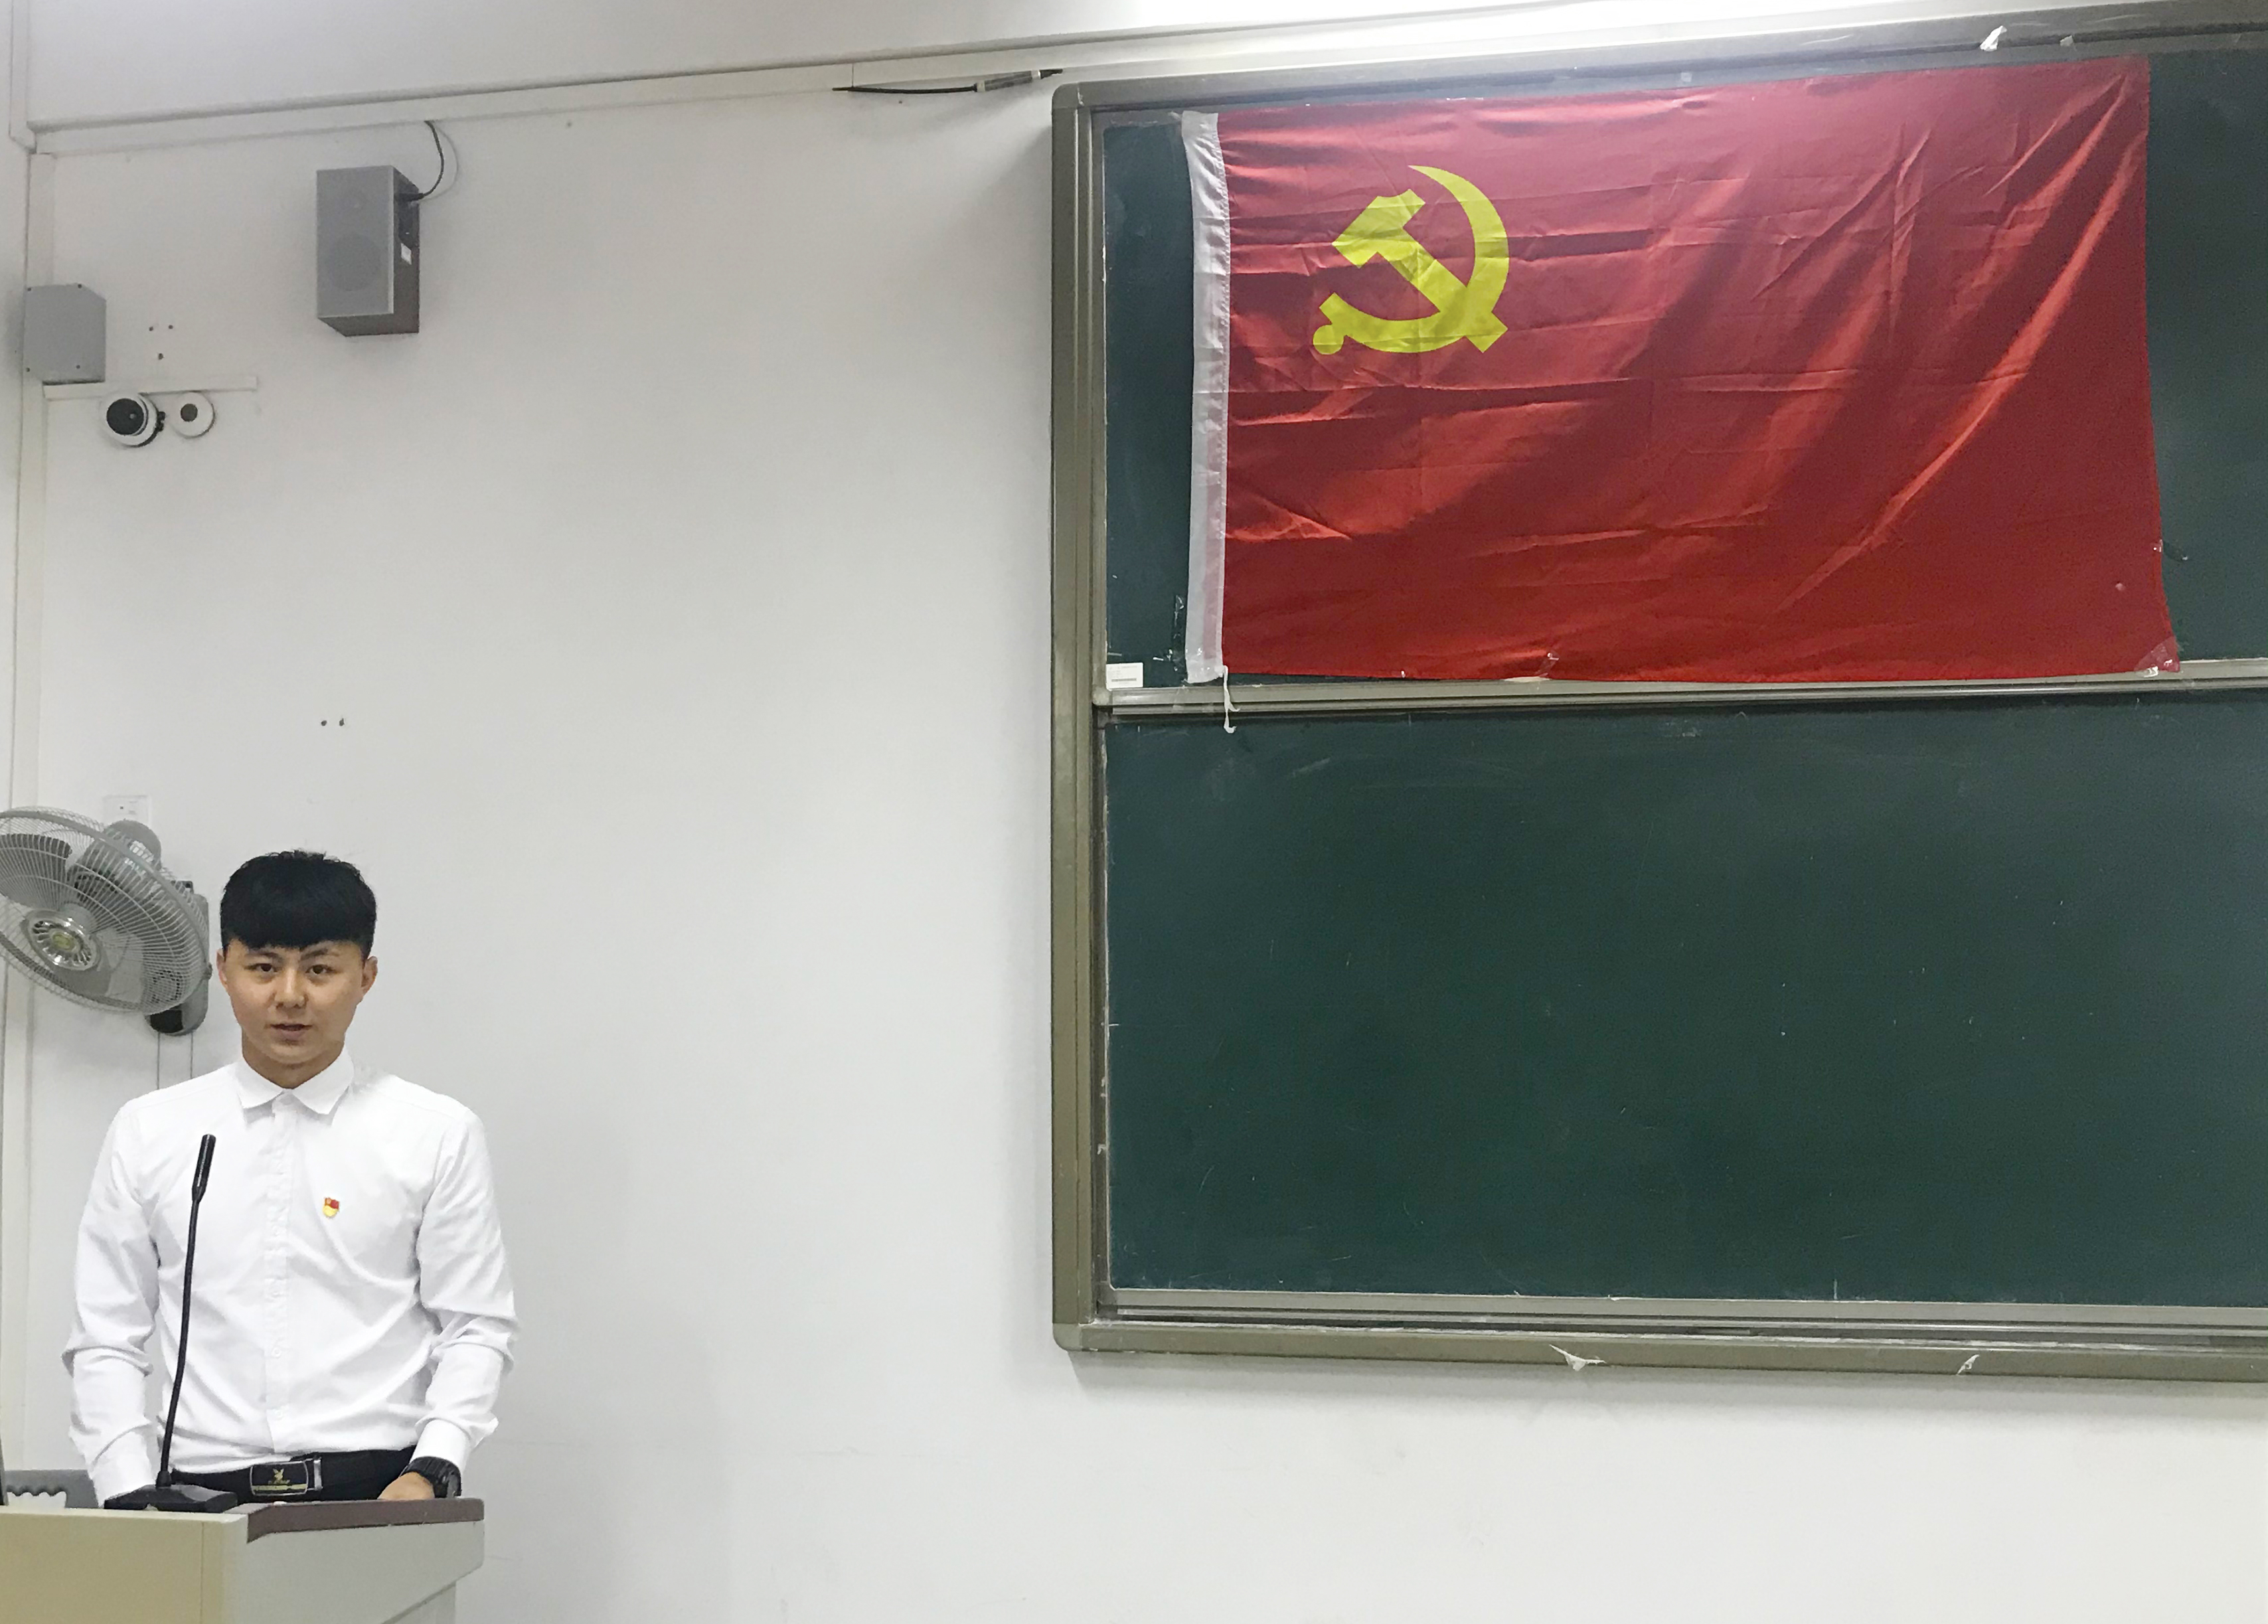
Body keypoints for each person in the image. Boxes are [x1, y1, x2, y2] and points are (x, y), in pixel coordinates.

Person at [65, 851, 515, 1506]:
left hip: (379, 1490)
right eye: (263, 967)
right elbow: (106, 1331)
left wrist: (434, 1467)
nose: (291, 996)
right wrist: (126, 1486)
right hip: (193, 1495)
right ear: (224, 970)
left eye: (321, 969)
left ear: (366, 977)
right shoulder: (151, 1130)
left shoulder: (435, 1133)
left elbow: (474, 1325)